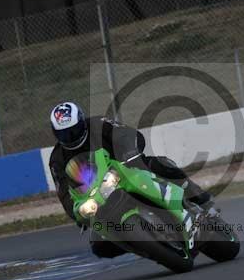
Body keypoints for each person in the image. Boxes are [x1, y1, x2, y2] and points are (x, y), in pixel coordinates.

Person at [49, 102, 214, 258]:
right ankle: (147, 246)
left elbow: (128, 134)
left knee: (159, 164)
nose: (70, 137)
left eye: (73, 130)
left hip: (125, 168)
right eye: (63, 133)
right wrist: (77, 213)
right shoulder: (57, 159)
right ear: (55, 133)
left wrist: (130, 155)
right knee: (99, 245)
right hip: (98, 194)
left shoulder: (99, 125)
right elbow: (63, 192)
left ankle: (197, 196)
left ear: (82, 122)